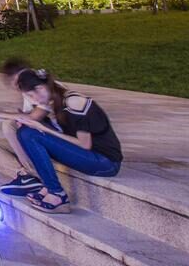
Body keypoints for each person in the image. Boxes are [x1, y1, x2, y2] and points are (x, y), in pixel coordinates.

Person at [7, 69, 122, 213]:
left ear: (44, 86)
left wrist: (45, 129)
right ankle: (49, 186)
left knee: (30, 134)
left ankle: (57, 195)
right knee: (25, 131)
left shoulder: (74, 102)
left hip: (105, 162)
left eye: (34, 93)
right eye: (30, 96)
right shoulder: (54, 101)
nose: (34, 99)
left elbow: (85, 144)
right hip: (89, 156)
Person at [0, 57, 56, 196]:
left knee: (9, 125)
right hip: (40, 137)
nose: (16, 86)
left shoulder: (42, 88)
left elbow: (33, 117)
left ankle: (34, 174)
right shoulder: (28, 89)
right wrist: (0, 112)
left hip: (57, 139)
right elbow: (26, 115)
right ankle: (25, 176)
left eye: (16, 81)